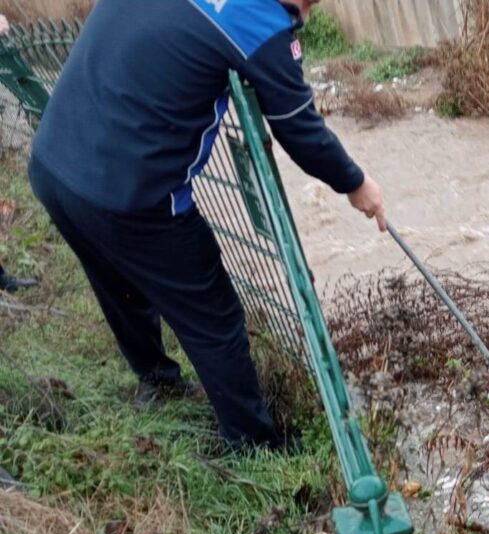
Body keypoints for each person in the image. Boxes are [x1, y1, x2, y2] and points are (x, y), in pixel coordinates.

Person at [28, 0, 386, 449]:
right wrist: (357, 183)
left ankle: (157, 382)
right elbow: (299, 129)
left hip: (52, 167)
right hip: (134, 194)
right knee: (215, 319)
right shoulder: (258, 19)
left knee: (118, 280)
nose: (305, 14)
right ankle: (253, 445)